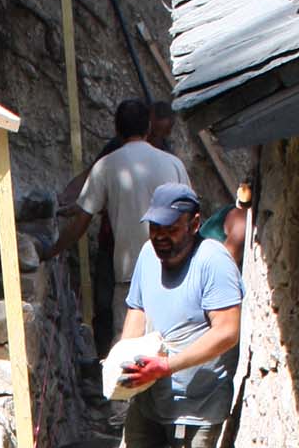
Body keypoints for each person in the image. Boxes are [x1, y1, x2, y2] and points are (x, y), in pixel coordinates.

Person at [107, 182, 242, 448]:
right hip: (152, 387)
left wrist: (170, 364)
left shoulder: (213, 262)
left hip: (197, 398)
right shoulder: (149, 256)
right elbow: (138, 310)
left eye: (171, 228)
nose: (161, 237)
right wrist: (124, 359)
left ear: (195, 224)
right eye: (155, 228)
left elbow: (227, 331)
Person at [49, 98, 194, 314]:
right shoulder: (174, 164)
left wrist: (50, 251)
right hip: (174, 273)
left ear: (117, 129)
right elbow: (191, 218)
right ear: (148, 127)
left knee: (128, 342)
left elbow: (81, 224)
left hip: (130, 277)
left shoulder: (107, 165)